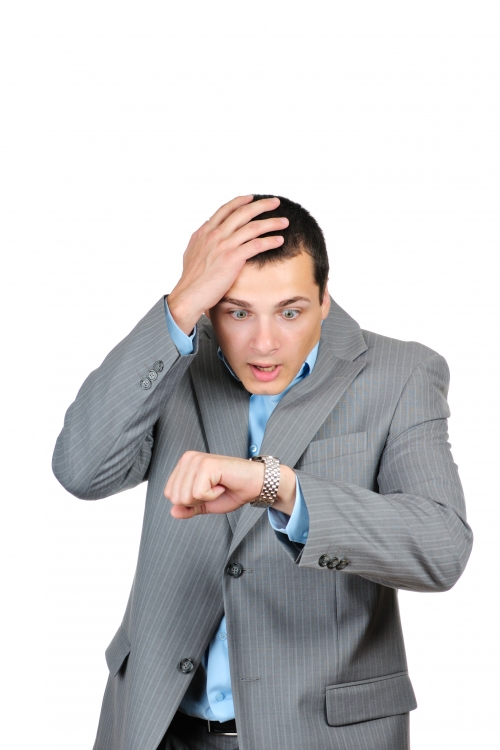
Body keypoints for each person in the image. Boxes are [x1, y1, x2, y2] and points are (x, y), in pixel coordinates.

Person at [52, 194, 473, 750]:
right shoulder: (177, 361)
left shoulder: (401, 374)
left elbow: (441, 547)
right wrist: (179, 304)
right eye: (238, 312)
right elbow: (81, 470)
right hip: (156, 727)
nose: (264, 343)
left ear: (324, 297)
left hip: (319, 735)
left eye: (290, 312)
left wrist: (279, 488)